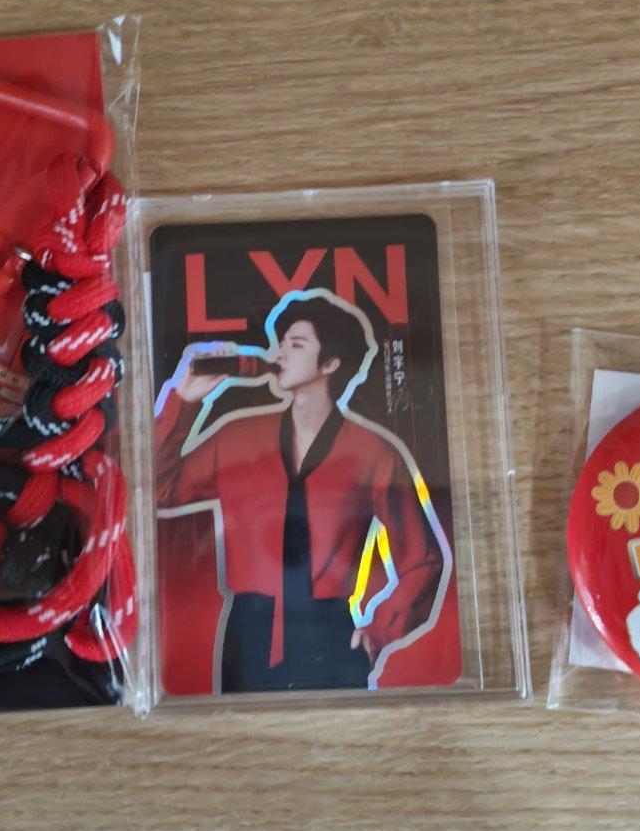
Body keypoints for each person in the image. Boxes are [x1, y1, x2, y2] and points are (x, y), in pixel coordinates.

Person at [154, 290, 450, 692]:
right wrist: (184, 400)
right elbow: (158, 490)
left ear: (329, 363)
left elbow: (423, 559)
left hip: (331, 635)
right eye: (281, 343)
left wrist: (378, 632)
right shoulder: (236, 437)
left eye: (295, 344)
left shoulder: (373, 453)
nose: (279, 353)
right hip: (248, 634)